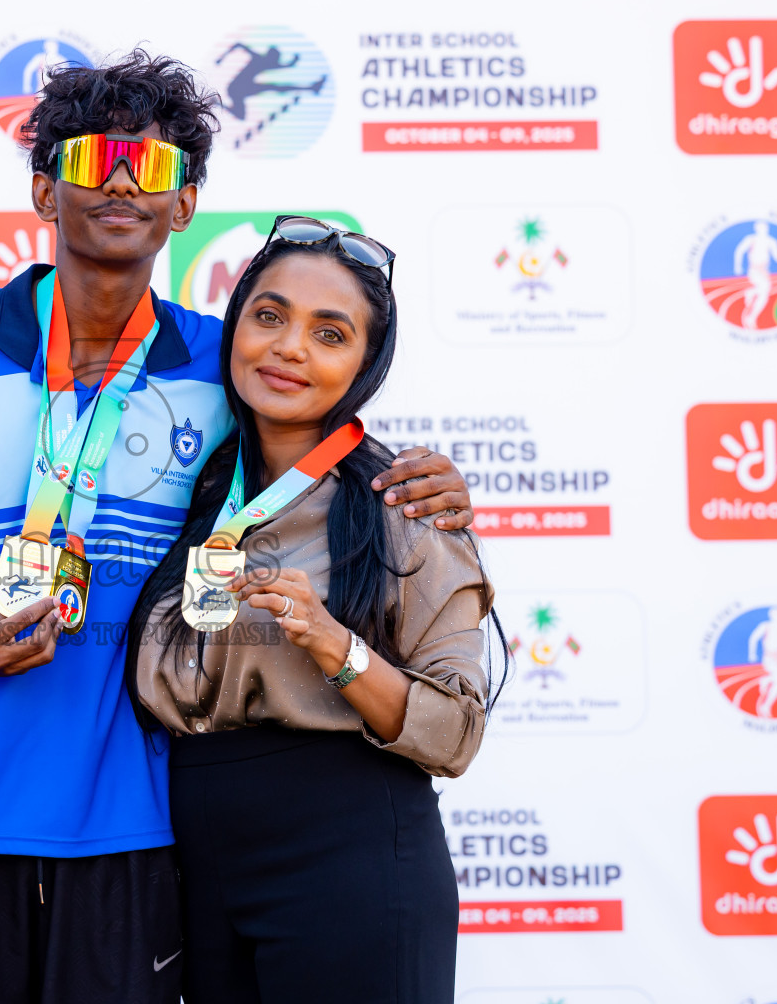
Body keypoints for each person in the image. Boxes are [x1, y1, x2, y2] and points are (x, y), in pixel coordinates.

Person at [0, 53, 476, 1004]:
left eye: (155, 167)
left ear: (186, 204)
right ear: (45, 189)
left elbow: (329, 446)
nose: (125, 181)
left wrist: (439, 485)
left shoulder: (228, 369)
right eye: (94, 161)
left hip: (138, 834)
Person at [127, 217, 504, 1004]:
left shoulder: (404, 506)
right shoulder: (182, 489)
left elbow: (457, 733)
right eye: (268, 316)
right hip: (194, 864)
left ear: (365, 366)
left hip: (352, 855)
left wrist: (338, 647)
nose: (289, 347)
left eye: (329, 334)